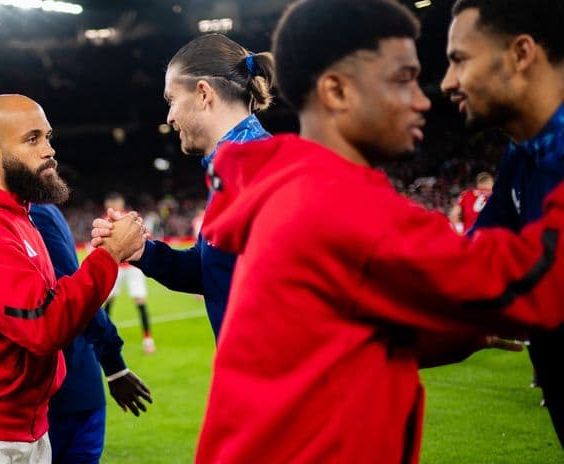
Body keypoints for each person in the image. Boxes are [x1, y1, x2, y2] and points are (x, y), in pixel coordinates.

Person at [173, 0, 564, 462]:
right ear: (336, 91)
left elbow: (358, 343)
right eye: (404, 79)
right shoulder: (337, 206)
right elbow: (539, 284)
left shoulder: (293, 188)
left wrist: (465, 329)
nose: (426, 97)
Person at [0, 94, 145, 463]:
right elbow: (43, 325)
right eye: (32, 139)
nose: (49, 150)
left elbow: (53, 303)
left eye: (48, 137)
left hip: (22, 423)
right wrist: (108, 256)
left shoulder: (18, 217)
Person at [91, 33, 273, 339]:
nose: (170, 117)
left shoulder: (262, 171)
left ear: (203, 93)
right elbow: (209, 272)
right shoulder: (230, 171)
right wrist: (141, 251)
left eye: (171, 100)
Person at [440, 0, 564, 447]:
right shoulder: (523, 155)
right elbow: (472, 266)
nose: (447, 82)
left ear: (522, 53)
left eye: (460, 60)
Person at [30, 202, 152, 464]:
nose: (51, 158)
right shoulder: (41, 209)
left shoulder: (34, 212)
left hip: (60, 390)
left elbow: (75, 294)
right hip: (74, 384)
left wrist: (113, 362)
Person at [101, 193, 155, 353]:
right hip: (118, 266)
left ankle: (147, 339)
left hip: (130, 266)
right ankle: (105, 338)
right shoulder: (107, 220)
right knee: (110, 301)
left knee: (137, 300)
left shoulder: (126, 218)